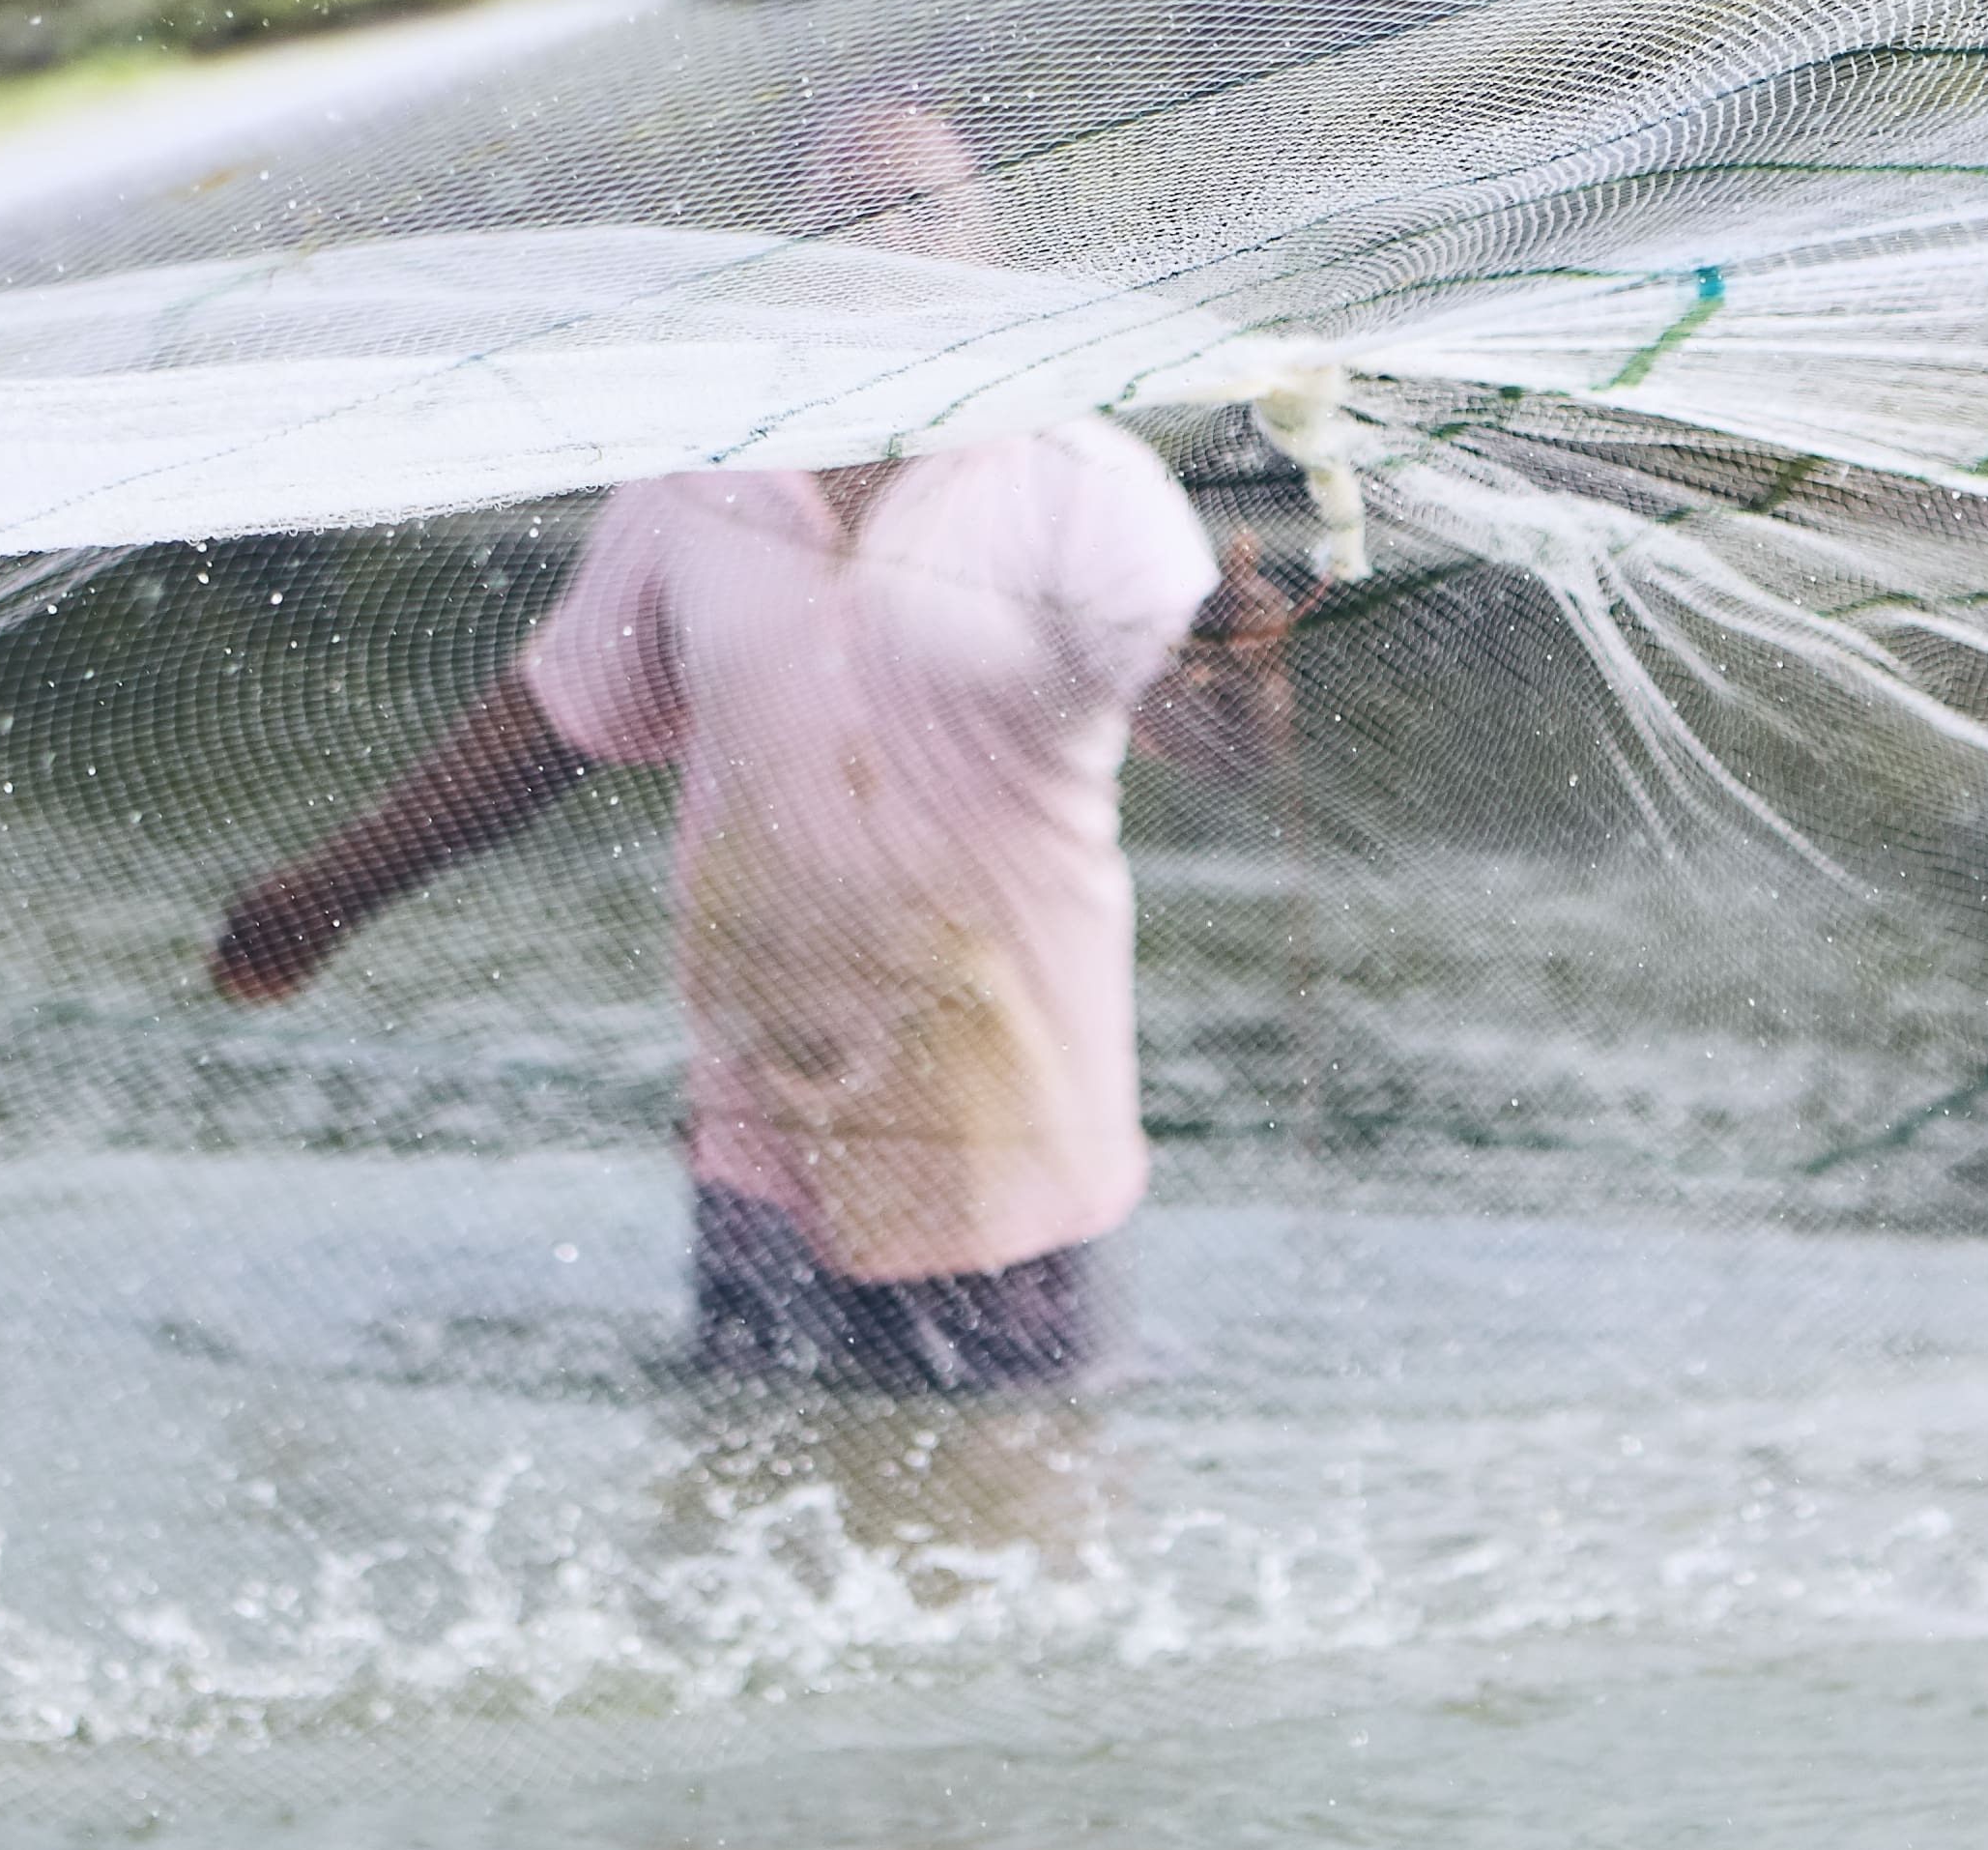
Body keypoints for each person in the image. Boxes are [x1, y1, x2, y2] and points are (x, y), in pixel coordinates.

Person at [211, 101, 1261, 1394]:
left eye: (923, 211)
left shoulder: (1083, 483)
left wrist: (1233, 661)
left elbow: (1207, 734)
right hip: (766, 1128)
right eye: (840, 220)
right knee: (746, 1481)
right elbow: (549, 723)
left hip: (1011, 1126)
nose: (883, 248)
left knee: (1013, 1489)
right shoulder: (697, 481)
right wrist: (323, 898)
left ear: (993, 252)